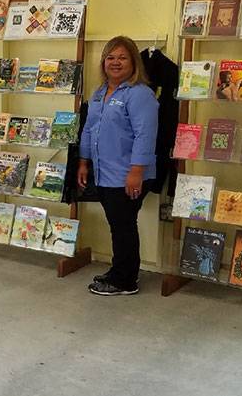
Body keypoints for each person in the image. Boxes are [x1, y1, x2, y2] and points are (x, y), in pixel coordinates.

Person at [77, 36, 159, 296]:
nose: (115, 62)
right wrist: (83, 162)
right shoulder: (100, 93)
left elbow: (145, 135)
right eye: (110, 57)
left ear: (134, 62)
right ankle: (119, 270)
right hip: (103, 172)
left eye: (122, 57)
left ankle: (126, 281)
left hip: (128, 174)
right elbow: (89, 129)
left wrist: (136, 172)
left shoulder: (140, 94)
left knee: (123, 225)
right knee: (117, 224)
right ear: (103, 63)